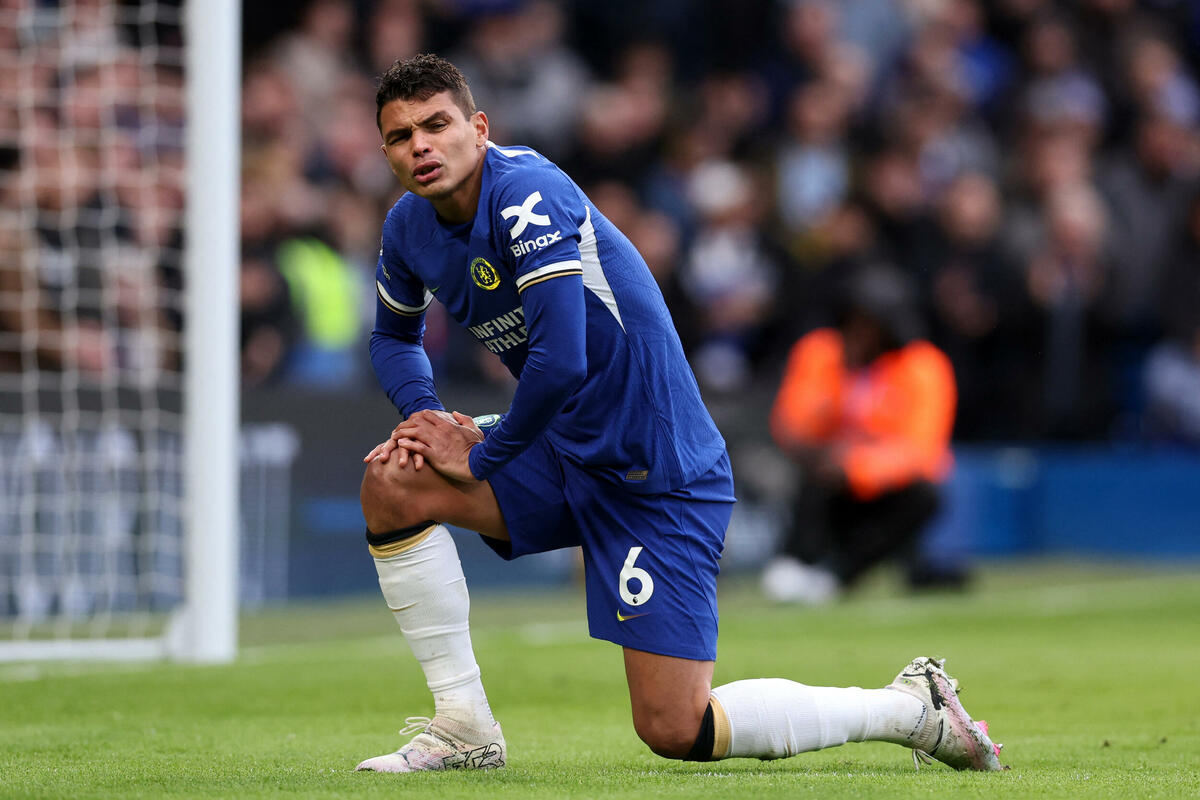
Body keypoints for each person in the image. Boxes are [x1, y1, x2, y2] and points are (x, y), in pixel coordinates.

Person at [354, 54, 1004, 774]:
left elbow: (562, 360)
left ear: (478, 128)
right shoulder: (407, 226)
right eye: (400, 135)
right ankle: (464, 726)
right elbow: (392, 337)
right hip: (559, 444)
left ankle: (909, 709)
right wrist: (427, 420)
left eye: (437, 125)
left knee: (674, 726)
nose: (421, 146)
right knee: (393, 481)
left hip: (654, 471)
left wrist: (478, 456)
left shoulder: (526, 193)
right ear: (385, 152)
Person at [763, 265, 961, 604]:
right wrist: (833, 394)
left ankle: (836, 576)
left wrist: (855, 466)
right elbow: (790, 426)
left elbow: (921, 451)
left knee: (927, 497)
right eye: (853, 323)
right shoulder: (821, 353)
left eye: (869, 326)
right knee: (807, 473)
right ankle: (796, 560)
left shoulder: (923, 366)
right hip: (824, 484)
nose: (860, 335)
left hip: (887, 491)